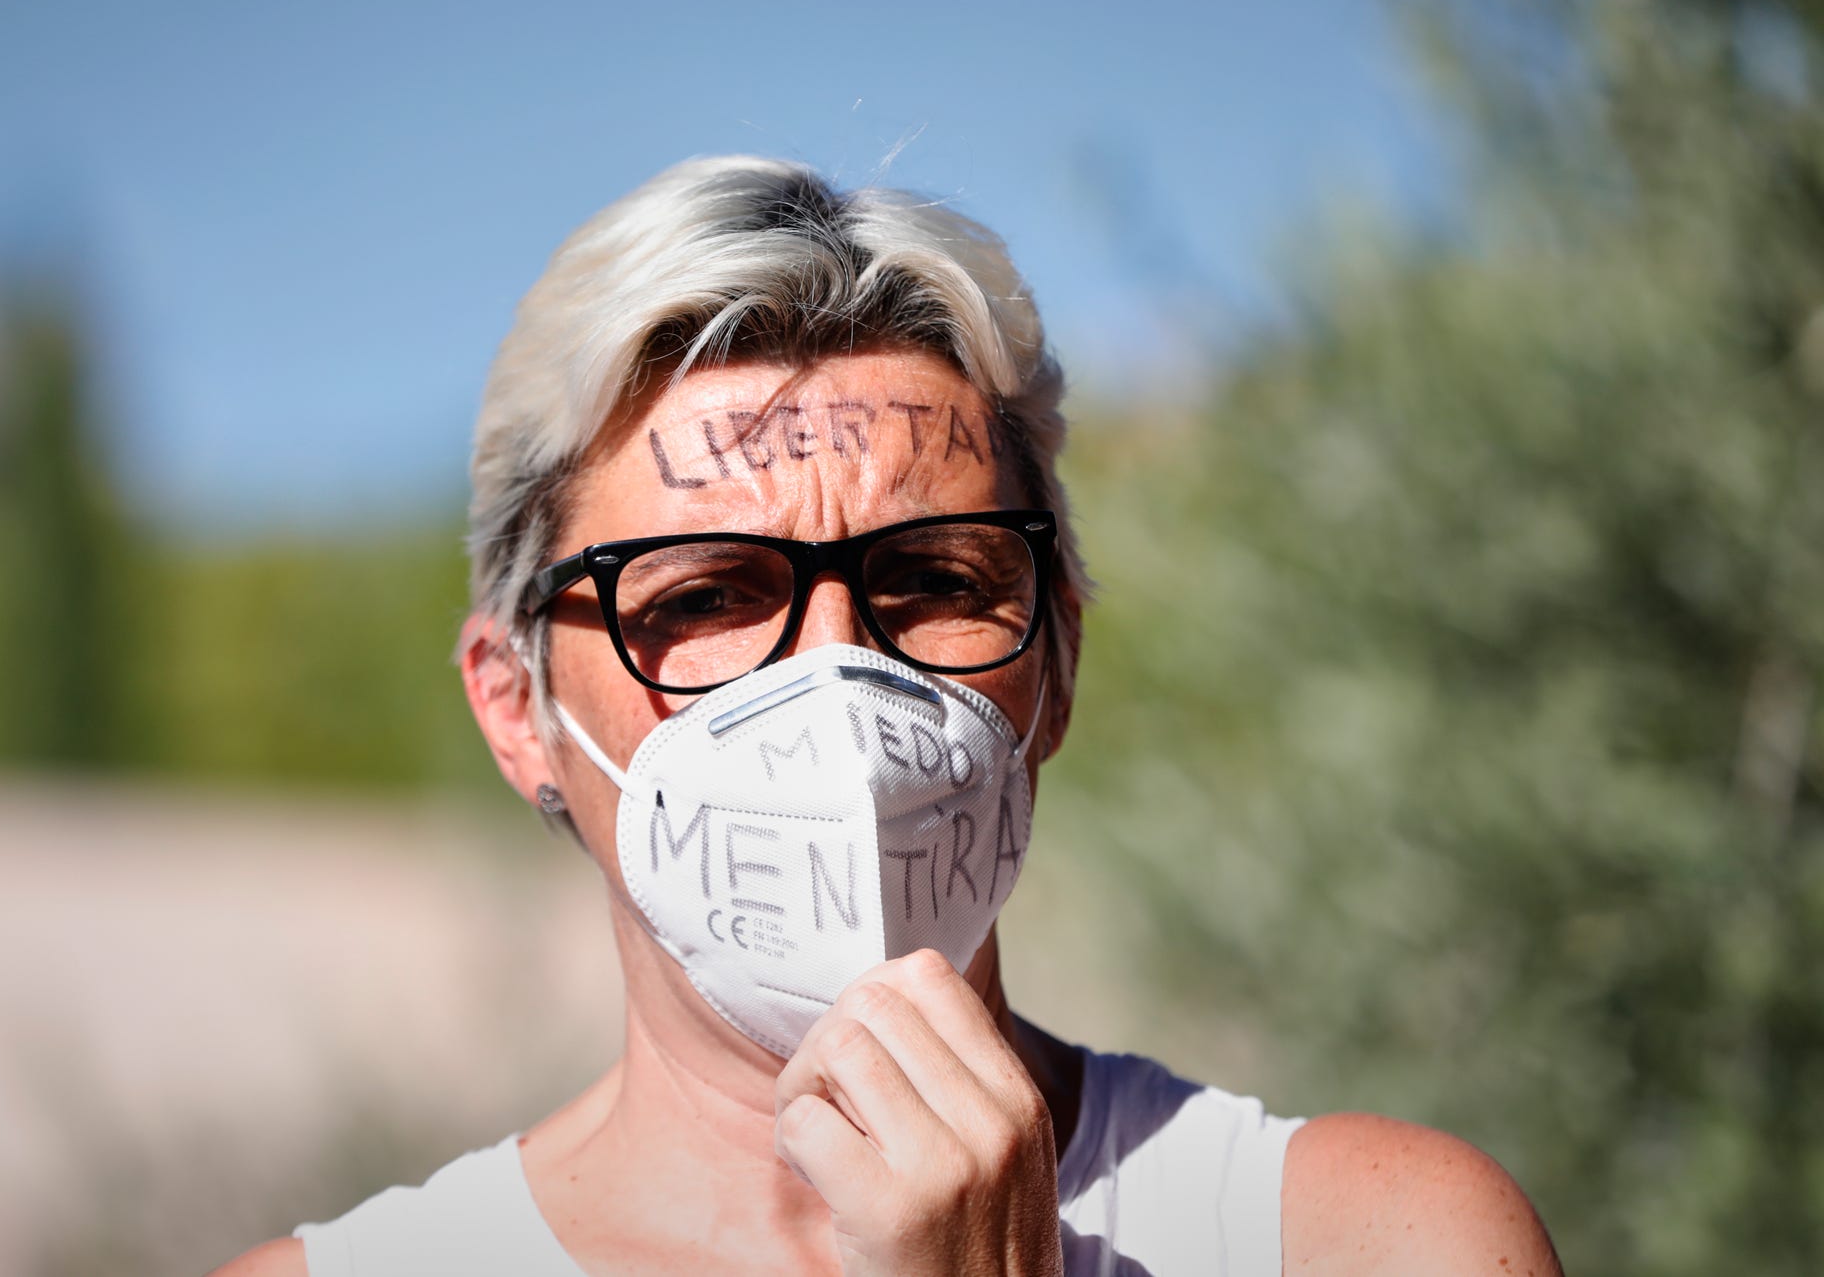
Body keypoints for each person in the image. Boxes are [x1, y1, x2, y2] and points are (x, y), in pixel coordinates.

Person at [212, 157, 1560, 1276]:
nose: (838, 667)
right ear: (519, 708)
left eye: (935, 579)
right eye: (709, 592)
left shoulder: (1371, 1240)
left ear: (1061, 659)